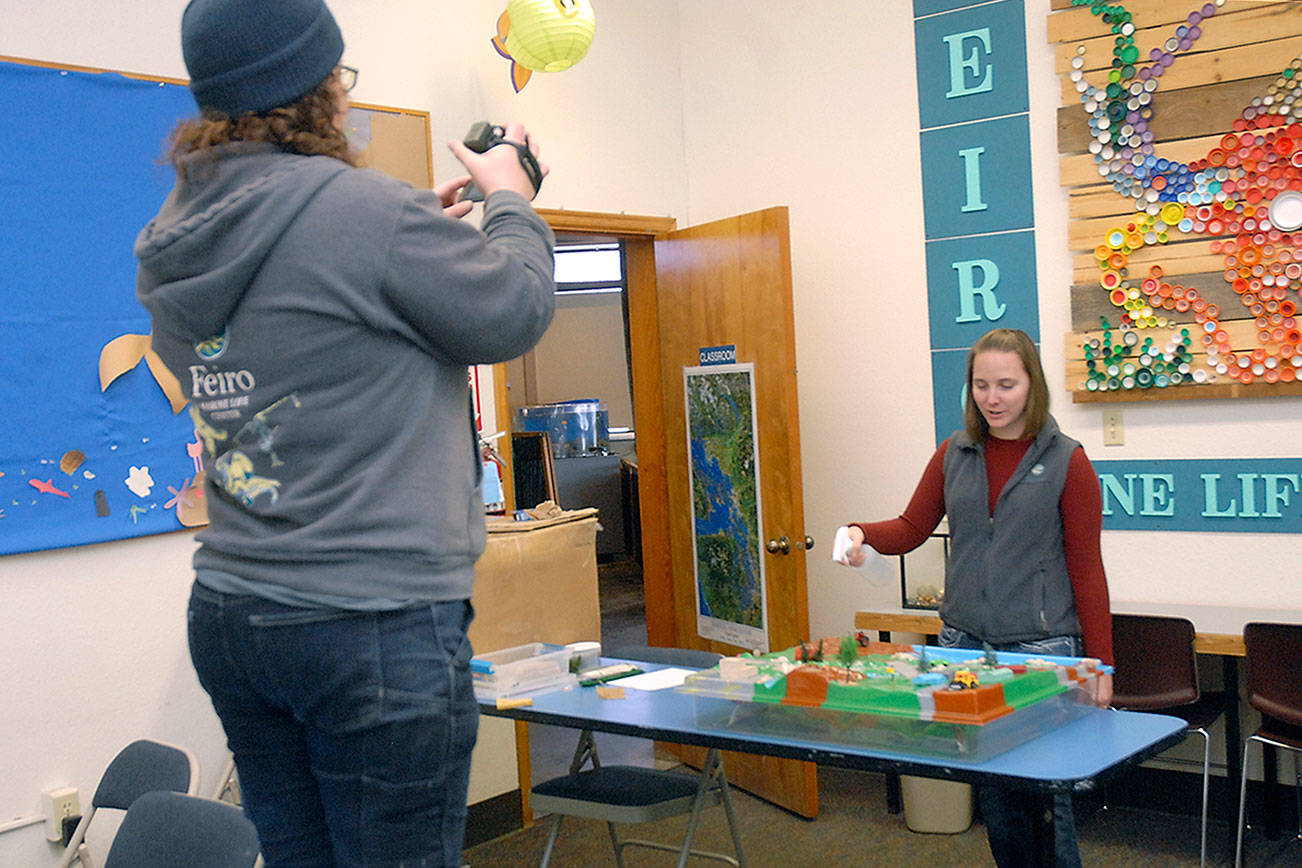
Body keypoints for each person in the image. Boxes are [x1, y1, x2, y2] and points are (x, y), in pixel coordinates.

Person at [134, 1, 556, 864]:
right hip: (366, 623)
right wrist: (509, 199)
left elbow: (299, 328)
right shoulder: (365, 215)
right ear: (319, 90)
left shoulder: (174, 235)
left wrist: (402, 252)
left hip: (234, 615)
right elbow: (514, 308)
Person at [835, 327, 1113, 868]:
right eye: (981, 385)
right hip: (962, 648)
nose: (993, 398)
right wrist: (861, 532)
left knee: (1045, 801)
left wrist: (1101, 663)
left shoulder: (1066, 461)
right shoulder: (955, 453)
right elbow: (912, 526)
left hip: (1041, 651)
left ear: (1032, 385)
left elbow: (1087, 567)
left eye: (1006, 384)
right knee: (997, 798)